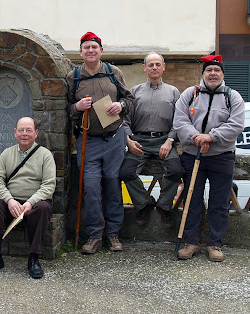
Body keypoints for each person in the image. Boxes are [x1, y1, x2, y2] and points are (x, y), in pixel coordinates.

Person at [66, 32, 134, 254]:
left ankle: (113, 234)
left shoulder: (114, 73)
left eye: (94, 47)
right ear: (81, 52)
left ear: (101, 51)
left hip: (115, 138)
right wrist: (76, 108)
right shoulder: (73, 76)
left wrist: (121, 106)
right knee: (91, 188)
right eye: (86, 48)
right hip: (88, 140)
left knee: (113, 185)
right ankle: (94, 235)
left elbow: (130, 99)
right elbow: (64, 108)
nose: (91, 51)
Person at [173, 55, 245, 262]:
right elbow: (180, 120)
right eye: (209, 70)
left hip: (221, 156)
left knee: (219, 201)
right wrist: (196, 138)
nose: (213, 73)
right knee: (192, 199)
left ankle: (214, 244)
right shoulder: (190, 93)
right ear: (203, 73)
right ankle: (191, 242)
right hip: (192, 154)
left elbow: (236, 125)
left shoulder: (233, 97)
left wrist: (211, 137)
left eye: (217, 70)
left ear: (222, 74)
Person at [0, 117, 56, 279]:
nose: (24, 134)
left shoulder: (45, 155)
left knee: (44, 208)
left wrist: (30, 202)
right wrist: (9, 200)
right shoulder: (7, 153)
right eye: (21, 130)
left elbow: (49, 185)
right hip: (11, 202)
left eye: (28, 130)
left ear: (36, 133)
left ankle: (34, 258)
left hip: (34, 203)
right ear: (15, 133)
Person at [120, 52, 183, 228]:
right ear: (144, 68)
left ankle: (164, 206)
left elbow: (179, 121)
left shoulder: (173, 92)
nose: (154, 68)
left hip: (164, 141)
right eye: (150, 65)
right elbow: (124, 120)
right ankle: (144, 203)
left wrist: (170, 140)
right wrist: (128, 140)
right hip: (139, 141)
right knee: (125, 172)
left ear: (163, 67)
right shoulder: (134, 92)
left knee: (177, 170)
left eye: (157, 64)